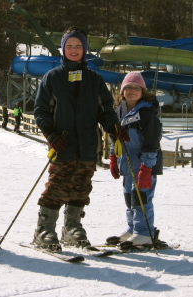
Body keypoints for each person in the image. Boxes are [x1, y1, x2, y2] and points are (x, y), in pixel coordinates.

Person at [32, 26, 128, 250]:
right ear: (63, 49)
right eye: (69, 46)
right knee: (57, 187)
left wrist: (113, 127)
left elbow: (105, 109)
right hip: (63, 144)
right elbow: (40, 111)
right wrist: (51, 134)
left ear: (84, 50)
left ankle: (72, 227)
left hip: (87, 145)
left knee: (81, 187)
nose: (73, 50)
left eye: (78, 46)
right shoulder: (53, 78)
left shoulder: (94, 79)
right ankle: (44, 229)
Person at [107, 72, 163, 246]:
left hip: (143, 164)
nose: (132, 91)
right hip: (127, 163)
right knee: (129, 197)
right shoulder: (118, 112)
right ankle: (133, 229)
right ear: (122, 90)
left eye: (136, 88)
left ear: (142, 91)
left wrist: (146, 168)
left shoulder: (146, 114)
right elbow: (114, 138)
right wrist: (113, 157)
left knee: (141, 198)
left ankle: (144, 233)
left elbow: (152, 141)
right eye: (128, 87)